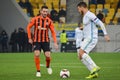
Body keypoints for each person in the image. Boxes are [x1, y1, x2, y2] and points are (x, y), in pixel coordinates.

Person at [77, 2, 110, 79]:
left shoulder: (90, 14)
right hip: (87, 38)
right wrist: (83, 28)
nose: (78, 11)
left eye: (78, 9)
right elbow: (89, 26)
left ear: (82, 7)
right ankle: (93, 72)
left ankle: (95, 67)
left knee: (81, 53)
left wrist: (105, 34)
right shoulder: (85, 16)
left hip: (91, 38)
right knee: (80, 56)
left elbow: (101, 23)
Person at [27, 6, 58, 77]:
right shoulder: (35, 19)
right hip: (36, 40)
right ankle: (38, 71)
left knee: (48, 56)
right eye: (43, 11)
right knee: (37, 54)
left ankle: (48, 66)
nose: (45, 13)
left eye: (46, 11)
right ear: (41, 11)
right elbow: (28, 27)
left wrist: (55, 42)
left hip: (45, 41)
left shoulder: (49, 21)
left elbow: (53, 32)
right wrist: (29, 38)